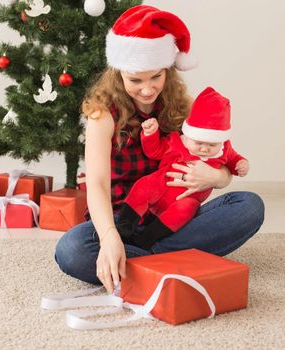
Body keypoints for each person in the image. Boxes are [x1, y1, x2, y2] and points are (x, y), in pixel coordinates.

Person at [54, 5, 264, 293]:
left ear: (167, 71)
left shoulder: (182, 110)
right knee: (71, 249)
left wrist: (216, 178)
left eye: (155, 77)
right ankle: (172, 260)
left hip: (170, 217)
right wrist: (109, 237)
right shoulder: (102, 115)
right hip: (119, 219)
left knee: (249, 206)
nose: (147, 88)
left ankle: (145, 263)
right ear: (119, 74)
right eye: (135, 80)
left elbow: (221, 165)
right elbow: (98, 185)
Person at [117, 86, 250, 250]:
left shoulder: (224, 150)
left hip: (189, 198)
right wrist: (151, 134)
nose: (204, 149)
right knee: (145, 186)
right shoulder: (176, 142)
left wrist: (241, 164)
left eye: (211, 144)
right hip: (162, 184)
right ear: (189, 134)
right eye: (199, 143)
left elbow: (234, 160)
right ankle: (125, 226)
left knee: (186, 210)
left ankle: (149, 238)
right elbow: (155, 151)